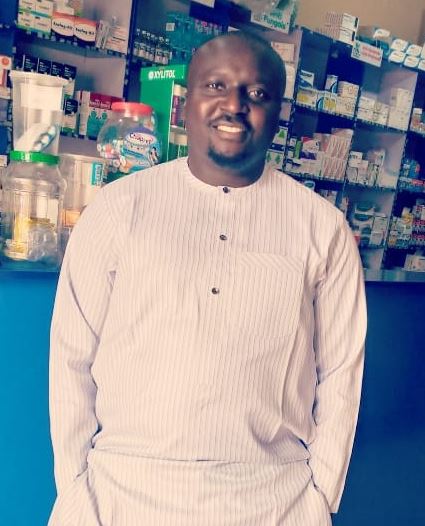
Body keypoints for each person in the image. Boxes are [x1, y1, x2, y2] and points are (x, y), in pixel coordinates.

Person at [48, 31, 367, 525]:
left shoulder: (322, 229)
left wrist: (318, 496)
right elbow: (72, 355)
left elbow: (342, 372)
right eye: (216, 85)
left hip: (272, 501)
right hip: (121, 493)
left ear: (278, 114)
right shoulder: (119, 208)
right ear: (185, 103)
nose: (234, 105)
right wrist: (75, 488)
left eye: (257, 93)